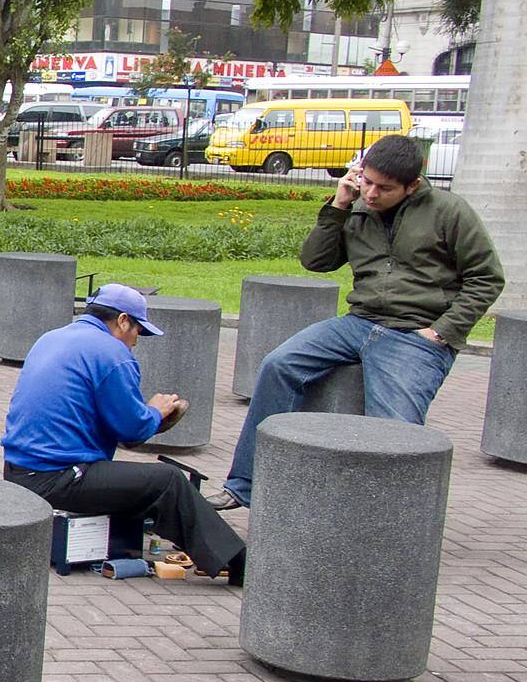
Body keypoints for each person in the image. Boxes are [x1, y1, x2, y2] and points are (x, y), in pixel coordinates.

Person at [214, 134, 505, 509]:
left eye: (384, 188)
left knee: (395, 429)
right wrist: (338, 205)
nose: (371, 193)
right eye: (366, 181)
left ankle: (388, 524)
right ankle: (245, 485)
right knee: (279, 365)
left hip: (416, 333)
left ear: (412, 185)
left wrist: (441, 333)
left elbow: (487, 278)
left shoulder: (449, 211)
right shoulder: (354, 206)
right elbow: (315, 261)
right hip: (358, 322)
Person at [2, 284, 246, 584]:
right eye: (137, 332)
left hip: (18, 472)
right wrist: (157, 410)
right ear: (122, 321)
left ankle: (193, 541)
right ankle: (239, 565)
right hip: (57, 478)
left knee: (141, 485)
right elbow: (132, 431)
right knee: (168, 481)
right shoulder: (112, 352)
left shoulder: (52, 337)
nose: (136, 342)